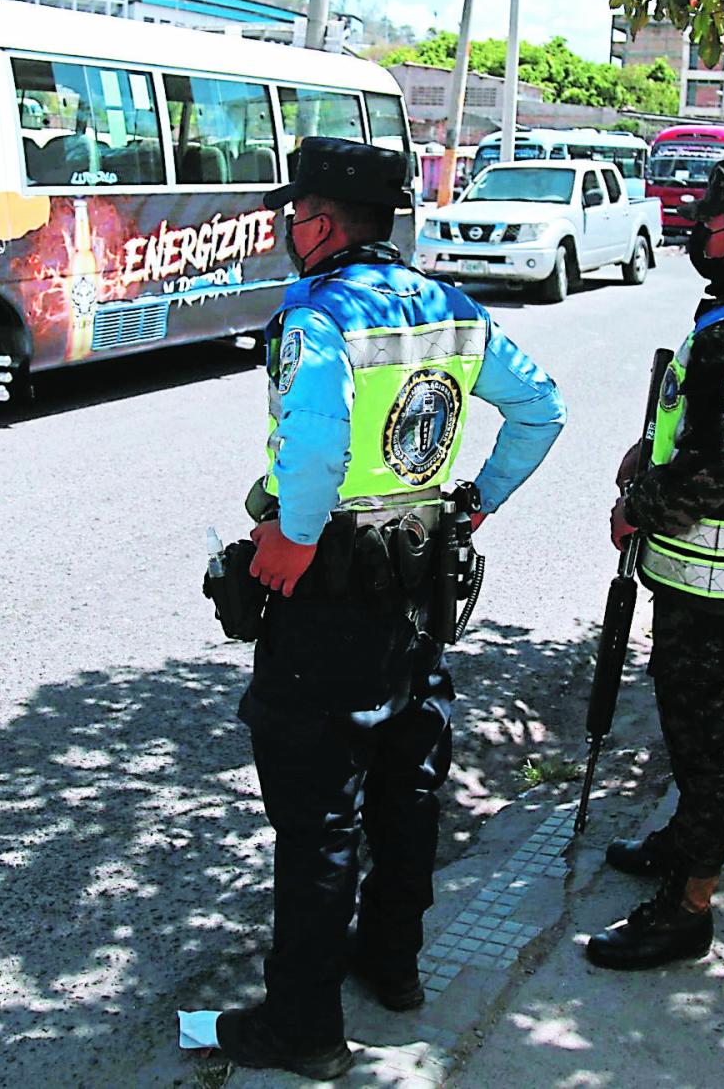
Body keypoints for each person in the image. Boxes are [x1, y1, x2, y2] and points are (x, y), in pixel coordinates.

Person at [216, 139, 566, 1079]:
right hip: (418, 586)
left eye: (294, 215)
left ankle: (303, 1025)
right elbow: (541, 408)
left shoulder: (318, 313)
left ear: (323, 224)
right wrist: (476, 501)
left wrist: (291, 535)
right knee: (408, 786)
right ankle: (394, 965)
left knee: (318, 813)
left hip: (329, 593)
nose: (287, 229)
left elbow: (318, 440)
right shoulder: (453, 307)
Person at [587, 159, 724, 970]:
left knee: (707, 740)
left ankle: (688, 906)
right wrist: (652, 448)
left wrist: (636, 505)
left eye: (707, 223)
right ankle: (685, 838)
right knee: (700, 729)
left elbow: (714, 468)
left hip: (713, 570)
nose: (694, 234)